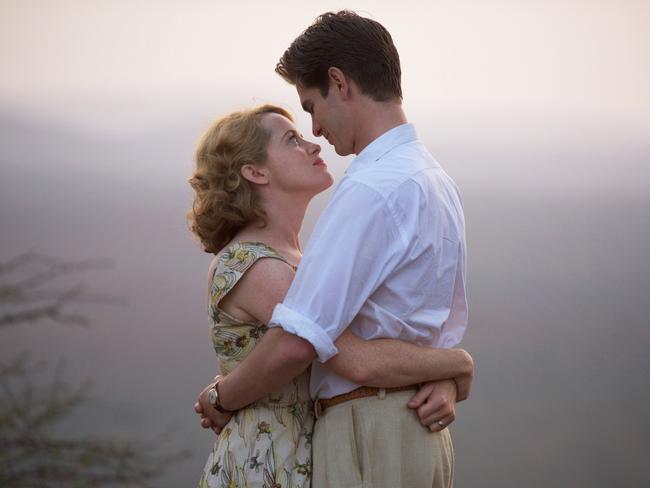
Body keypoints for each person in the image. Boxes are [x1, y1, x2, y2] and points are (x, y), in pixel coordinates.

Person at [189, 104, 473, 487]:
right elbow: (353, 358)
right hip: (268, 466)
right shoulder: (254, 264)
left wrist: (441, 378)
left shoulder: (298, 263)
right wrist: (455, 363)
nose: (314, 144)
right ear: (254, 172)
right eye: (293, 139)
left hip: (307, 457)